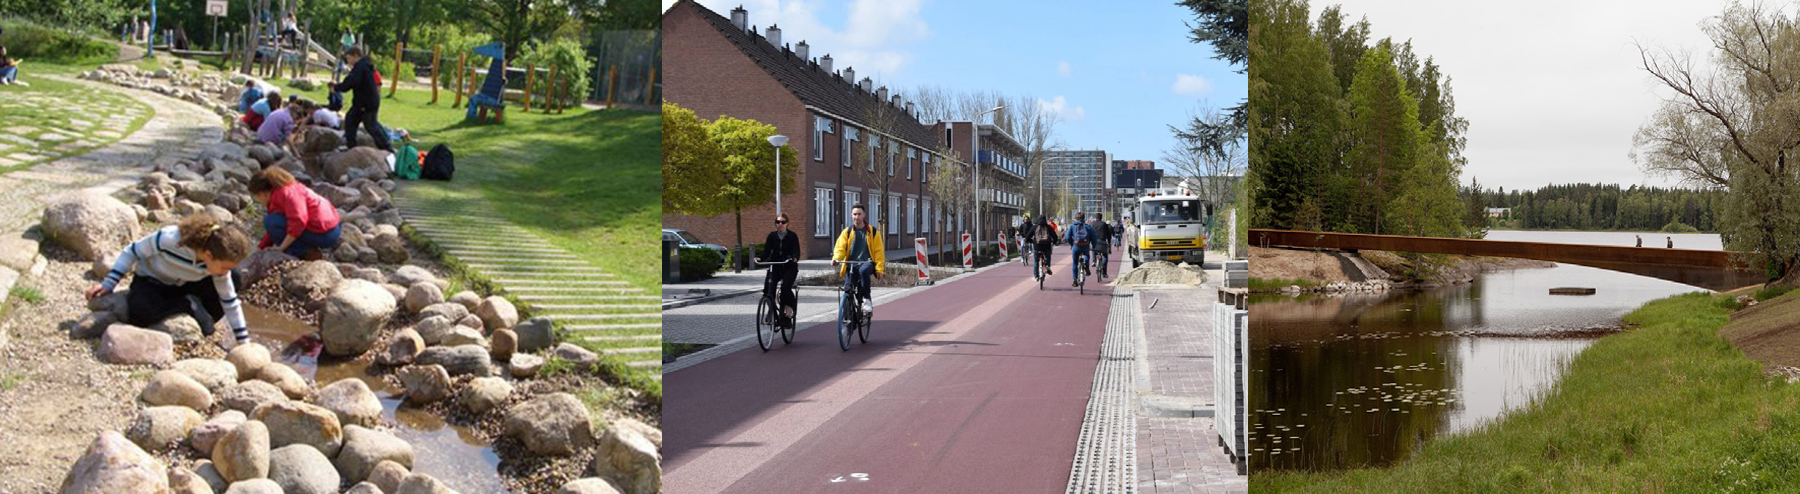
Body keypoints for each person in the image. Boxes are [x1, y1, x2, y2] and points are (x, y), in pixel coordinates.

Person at [84, 214, 254, 350]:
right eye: (225, 266)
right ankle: (188, 305)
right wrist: (109, 284)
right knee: (139, 314)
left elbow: (229, 300)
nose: (226, 271)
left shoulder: (216, 264)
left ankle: (197, 317)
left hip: (185, 283)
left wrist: (243, 341)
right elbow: (132, 251)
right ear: (209, 255)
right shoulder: (170, 239)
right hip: (153, 281)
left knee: (235, 277)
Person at [250, 167, 341, 259]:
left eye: (257, 198)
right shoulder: (286, 189)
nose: (259, 201)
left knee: (271, 221)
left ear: (262, 194)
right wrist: (260, 247)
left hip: (326, 235)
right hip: (331, 229)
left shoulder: (286, 194)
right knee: (273, 221)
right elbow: (274, 229)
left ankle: (303, 252)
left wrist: (281, 247)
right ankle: (303, 248)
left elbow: (298, 220)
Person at [333, 46, 392, 152]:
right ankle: (351, 146)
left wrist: (337, 87)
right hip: (362, 103)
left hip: (367, 104)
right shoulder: (362, 66)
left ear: (356, 55)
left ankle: (387, 148)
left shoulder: (360, 67)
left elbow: (351, 82)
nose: (348, 61)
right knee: (351, 120)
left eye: (349, 58)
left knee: (371, 126)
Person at [831, 204, 884, 315]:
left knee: (863, 271)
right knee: (847, 291)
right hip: (851, 265)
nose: (857, 217)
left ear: (864, 215)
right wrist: (836, 259)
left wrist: (879, 269)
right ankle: (846, 321)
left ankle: (867, 300)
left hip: (867, 262)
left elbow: (879, 252)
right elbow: (840, 247)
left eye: (859, 214)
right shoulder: (848, 231)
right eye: (855, 214)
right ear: (851, 215)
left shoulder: (873, 232)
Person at [756, 212, 802, 323]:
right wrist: (760, 258)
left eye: (782, 222)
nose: (780, 224)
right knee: (768, 289)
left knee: (786, 288)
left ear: (787, 223)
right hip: (775, 265)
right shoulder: (772, 236)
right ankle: (771, 311)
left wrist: (795, 257)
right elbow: (766, 251)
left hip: (789, 266)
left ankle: (788, 313)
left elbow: (796, 250)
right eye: (778, 222)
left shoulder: (792, 236)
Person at [1063, 212, 1097, 287]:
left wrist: (1072, 244)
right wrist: (1094, 245)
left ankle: (1075, 280)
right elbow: (1094, 237)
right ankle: (1087, 266)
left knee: (1075, 263)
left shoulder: (1072, 226)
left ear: (1076, 218)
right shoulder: (1088, 226)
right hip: (1085, 246)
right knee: (1087, 255)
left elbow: (1068, 236)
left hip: (1076, 246)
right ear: (1084, 218)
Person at [1091, 212, 1115, 277]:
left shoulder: (1093, 224)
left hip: (1095, 241)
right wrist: (1109, 242)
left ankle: (1094, 260)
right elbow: (1108, 233)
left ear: (1095, 218)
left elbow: (1091, 232)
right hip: (1102, 241)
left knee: (1093, 249)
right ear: (1101, 218)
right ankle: (1104, 272)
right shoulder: (1104, 224)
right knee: (1105, 256)